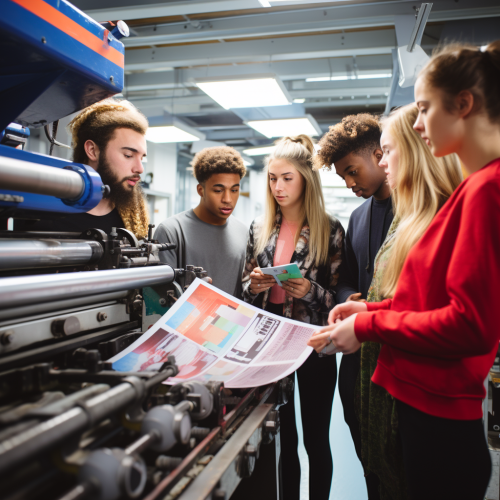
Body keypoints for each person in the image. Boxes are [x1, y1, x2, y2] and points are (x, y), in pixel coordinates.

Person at [308, 40, 500, 500]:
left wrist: (369, 323)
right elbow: (426, 301)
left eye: (424, 108)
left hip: (442, 420)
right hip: (423, 411)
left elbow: (470, 324)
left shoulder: (484, 191)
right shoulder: (470, 192)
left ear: (463, 104)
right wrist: (367, 311)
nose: (418, 123)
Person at [355, 103, 462, 500]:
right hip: (401, 397)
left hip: (427, 405)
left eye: (388, 150)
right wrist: (367, 310)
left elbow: (458, 322)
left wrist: (367, 322)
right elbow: (407, 304)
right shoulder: (409, 218)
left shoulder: (445, 217)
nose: (381, 163)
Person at [241, 135, 344, 500]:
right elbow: (244, 285)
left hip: (313, 345)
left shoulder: (330, 229)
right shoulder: (259, 227)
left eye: (287, 178)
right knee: (284, 437)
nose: (278, 187)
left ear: (305, 179)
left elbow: (339, 299)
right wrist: (254, 285)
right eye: (272, 178)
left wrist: (310, 292)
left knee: (317, 439)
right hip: (272, 344)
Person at [314, 113, 393, 499]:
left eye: (352, 171)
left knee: (394, 455)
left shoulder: (416, 209)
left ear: (380, 156)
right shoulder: (358, 217)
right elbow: (345, 277)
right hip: (356, 359)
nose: (350, 183)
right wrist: (349, 298)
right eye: (342, 176)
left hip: (395, 350)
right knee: (363, 443)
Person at [15, 99, 150, 238]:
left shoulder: (133, 220)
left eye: (142, 158)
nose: (140, 169)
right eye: (128, 155)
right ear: (92, 150)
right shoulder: (41, 213)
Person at [154, 146, 248, 297]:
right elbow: (161, 295)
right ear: (200, 190)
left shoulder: (243, 232)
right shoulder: (171, 230)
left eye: (234, 190)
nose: (228, 199)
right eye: (218, 190)